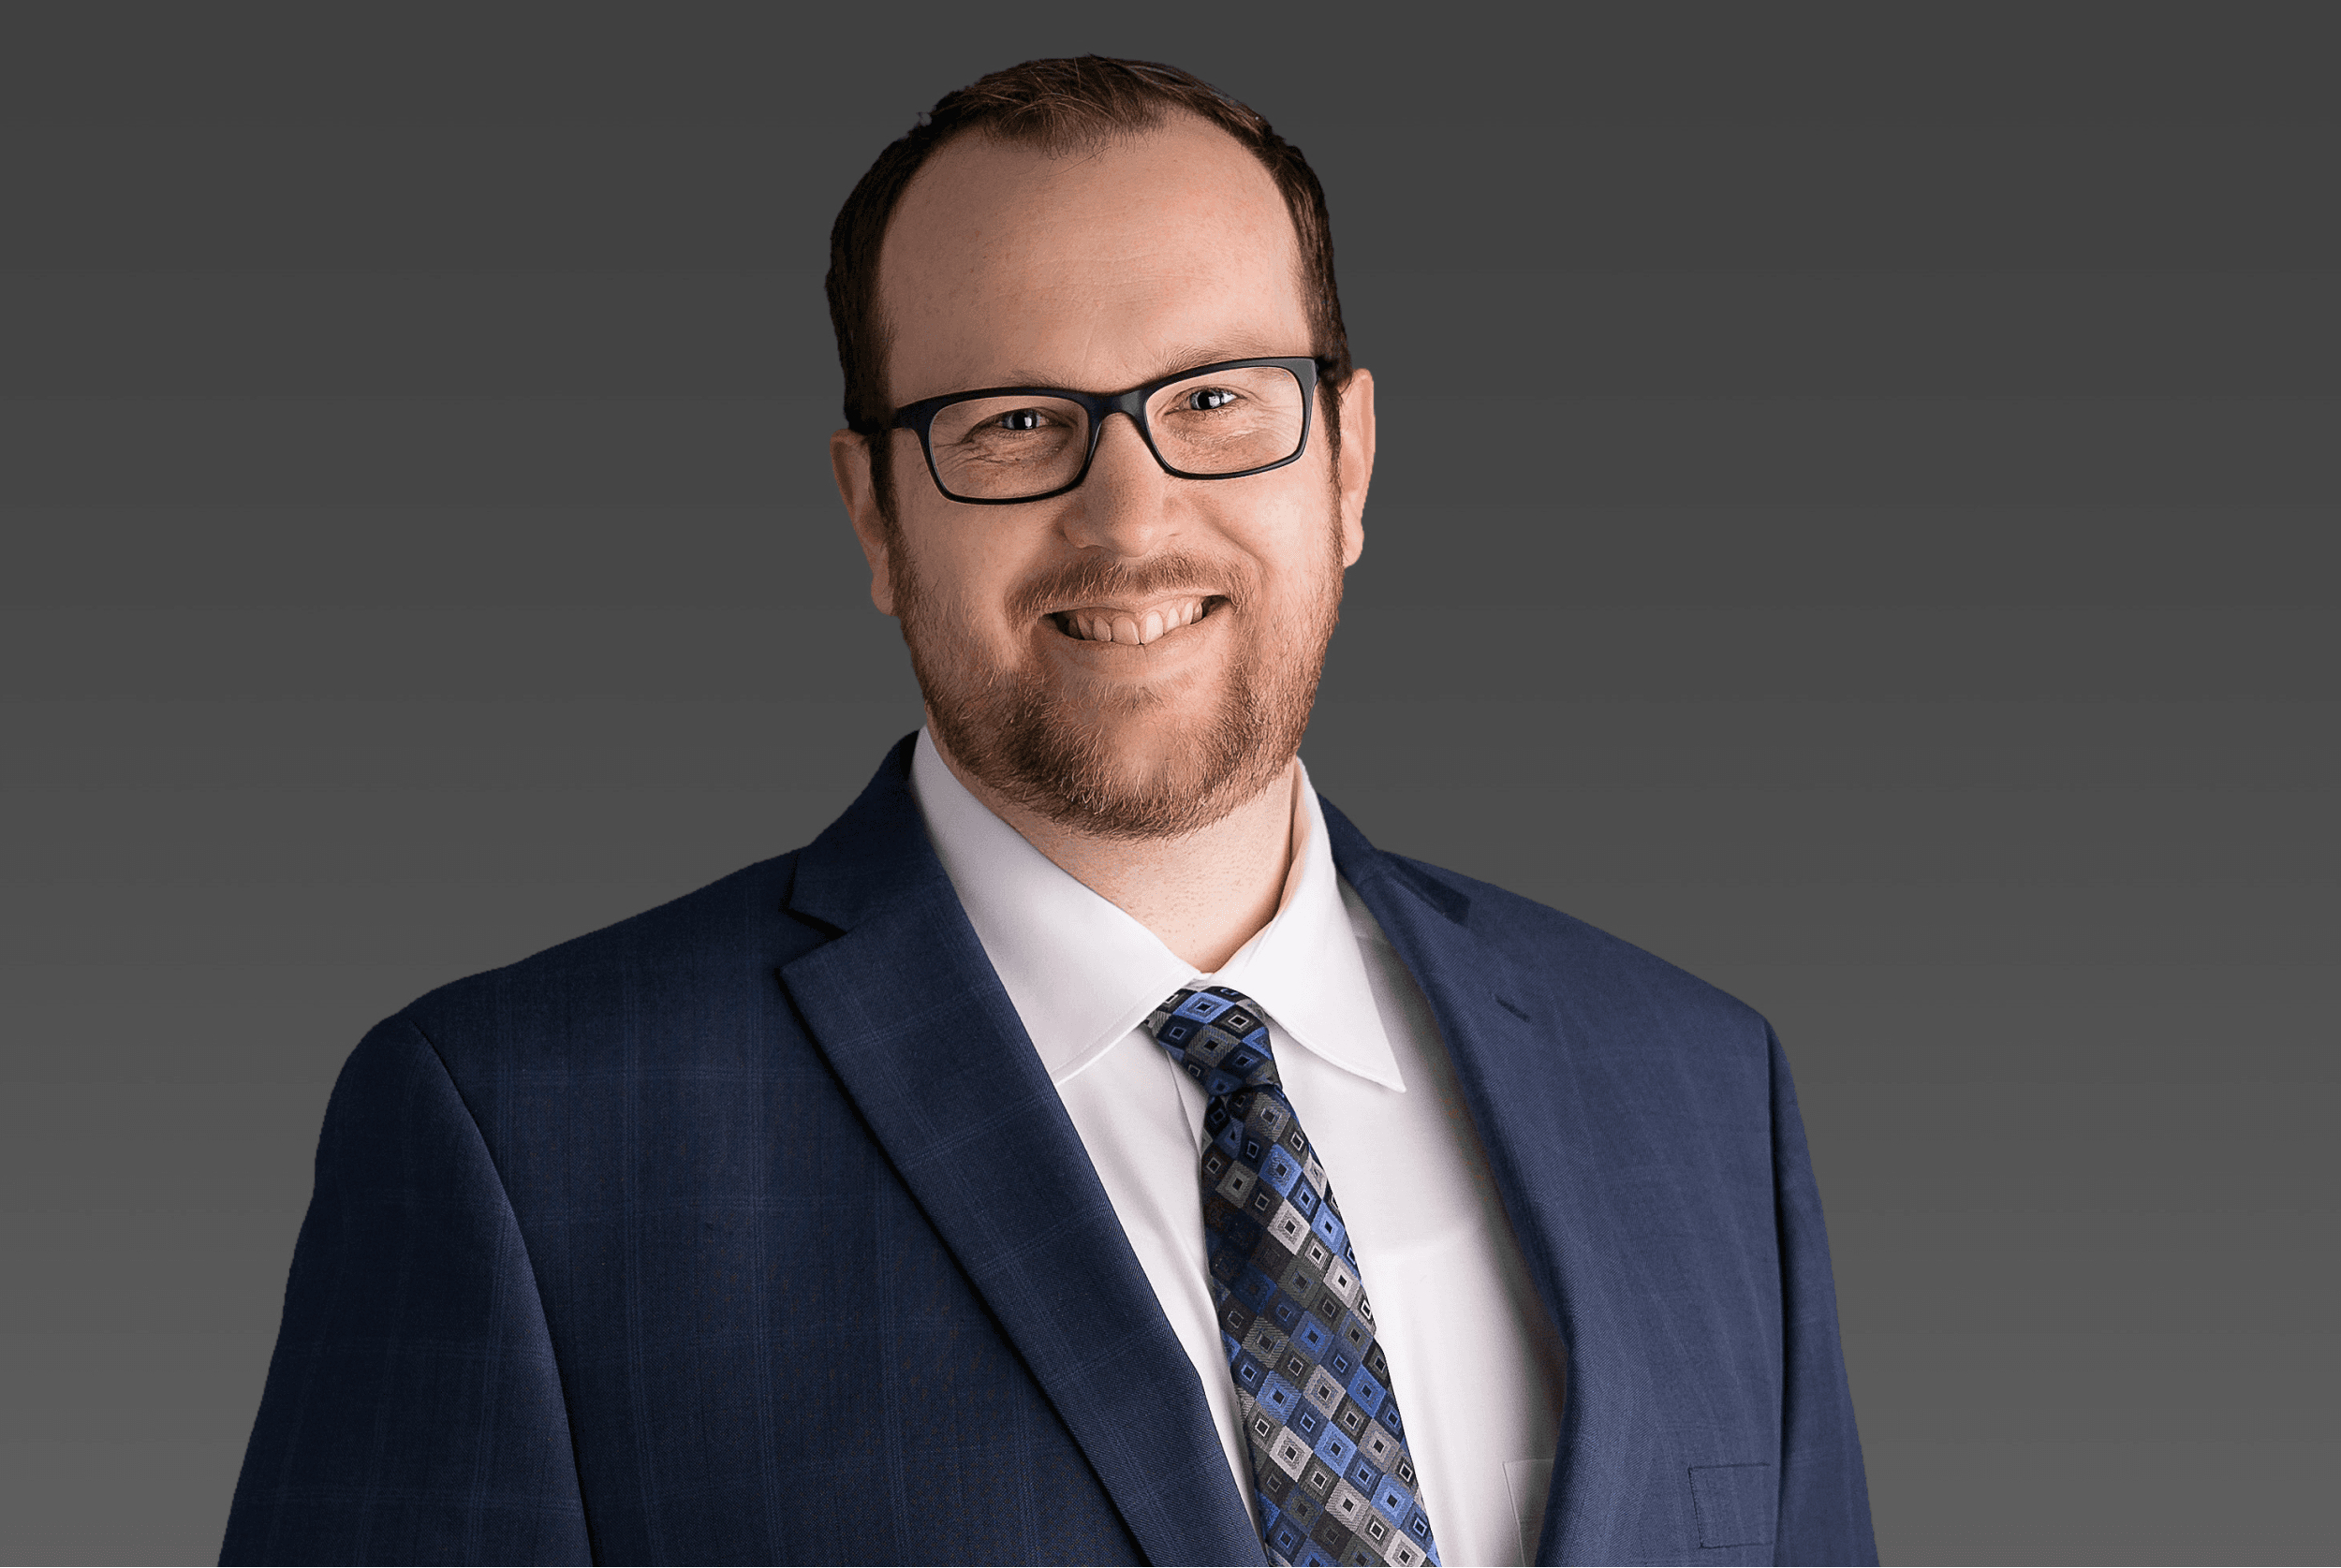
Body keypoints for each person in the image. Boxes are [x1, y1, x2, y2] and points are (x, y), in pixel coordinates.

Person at [221, 55, 1875, 1568]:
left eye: (1217, 397)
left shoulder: (1696, 1090)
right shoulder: (526, 1141)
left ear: (1349, 460)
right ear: (875, 513)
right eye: (1016, 423)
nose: (1130, 515)